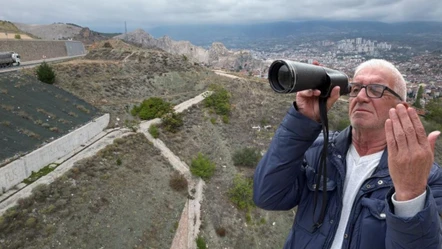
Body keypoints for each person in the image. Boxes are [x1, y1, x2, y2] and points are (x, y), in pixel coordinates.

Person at [253, 59, 442, 249]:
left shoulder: (426, 178)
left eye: (376, 90)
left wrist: (410, 193)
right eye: (355, 88)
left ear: (402, 108)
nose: (361, 97)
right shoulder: (320, 152)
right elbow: (268, 196)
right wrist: (302, 121)